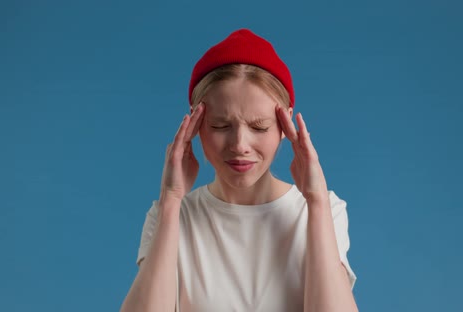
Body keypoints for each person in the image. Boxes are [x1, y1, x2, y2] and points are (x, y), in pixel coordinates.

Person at [120, 29, 358, 312]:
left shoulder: (325, 211)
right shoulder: (168, 217)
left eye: (259, 127)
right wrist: (171, 200)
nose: (240, 145)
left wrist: (316, 202)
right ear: (196, 123)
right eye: (220, 126)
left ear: (286, 125)